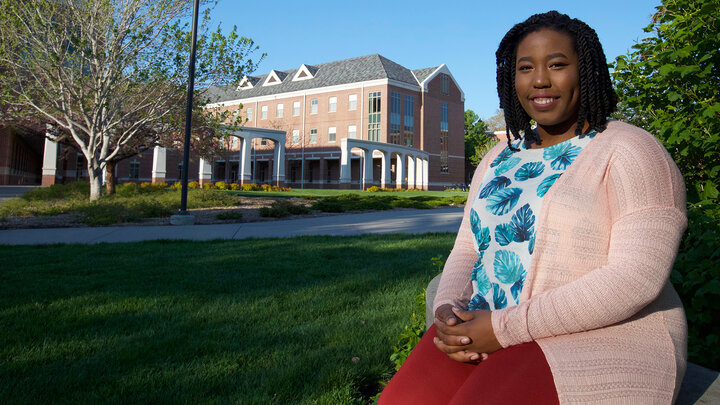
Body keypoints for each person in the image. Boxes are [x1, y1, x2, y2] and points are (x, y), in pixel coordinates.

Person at [379, 10, 687, 405]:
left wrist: (505, 328)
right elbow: (468, 248)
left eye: (557, 64)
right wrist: (447, 312)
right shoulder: (497, 158)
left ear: (586, 70)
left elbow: (636, 278)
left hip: (602, 337)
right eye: (526, 67)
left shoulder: (633, 151)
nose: (540, 79)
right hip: (485, 323)